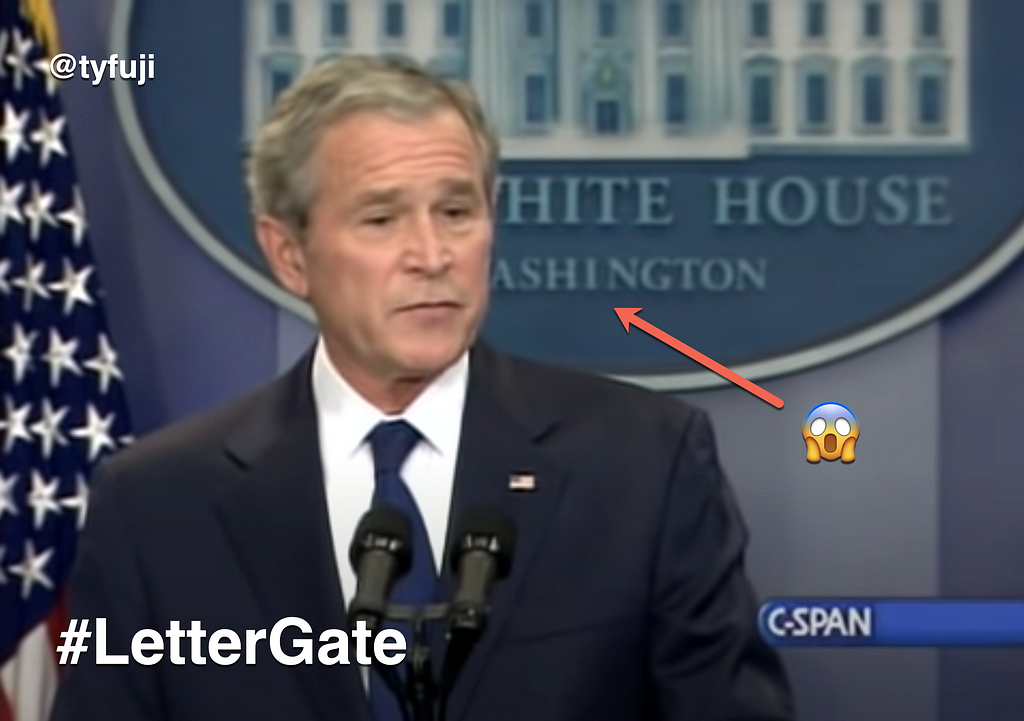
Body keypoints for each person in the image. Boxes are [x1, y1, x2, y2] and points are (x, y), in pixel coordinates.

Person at [50, 54, 795, 721]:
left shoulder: (644, 464)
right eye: (381, 218)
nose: (432, 254)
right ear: (289, 254)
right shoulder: (155, 505)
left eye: (456, 212)